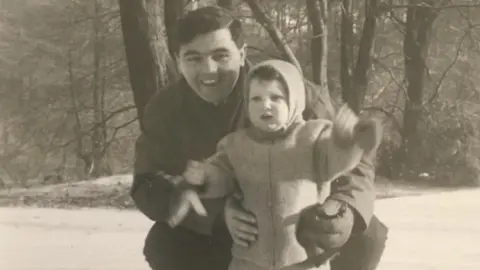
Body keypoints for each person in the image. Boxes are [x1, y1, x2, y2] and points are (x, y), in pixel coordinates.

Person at [131, 5, 388, 270]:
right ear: (177, 61)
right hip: (220, 234)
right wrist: (217, 215)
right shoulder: (164, 110)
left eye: (220, 55)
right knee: (164, 243)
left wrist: (344, 208)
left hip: (300, 227)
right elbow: (147, 182)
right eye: (193, 58)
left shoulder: (293, 92)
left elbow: (357, 164)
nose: (208, 70)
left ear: (242, 54)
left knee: (367, 234)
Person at [169, 60, 383, 270]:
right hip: (248, 260)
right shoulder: (235, 145)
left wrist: (349, 142)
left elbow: (336, 160)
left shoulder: (313, 138)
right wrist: (204, 177)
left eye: (276, 97)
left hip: (303, 259)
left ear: (295, 101)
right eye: (256, 99)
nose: (265, 105)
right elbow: (222, 175)